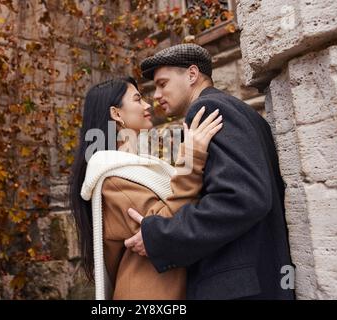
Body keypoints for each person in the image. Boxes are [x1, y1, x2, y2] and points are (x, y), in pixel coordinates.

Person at [124, 43, 296, 300]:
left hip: (236, 288)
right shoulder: (242, 110)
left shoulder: (206, 111)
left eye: (162, 83)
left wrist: (160, 236)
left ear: (192, 75)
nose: (156, 95)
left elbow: (242, 198)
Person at [69, 77, 223, 299]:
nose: (148, 105)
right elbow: (166, 226)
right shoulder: (112, 177)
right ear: (116, 114)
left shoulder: (141, 167)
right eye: (137, 99)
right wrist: (192, 155)